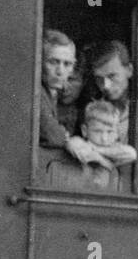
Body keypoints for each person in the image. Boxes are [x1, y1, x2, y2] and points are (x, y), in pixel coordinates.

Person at [39, 30, 109, 170]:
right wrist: (69, 141)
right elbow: (51, 132)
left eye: (67, 64)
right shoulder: (37, 91)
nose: (60, 71)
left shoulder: (54, 92)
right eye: (53, 62)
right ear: (40, 61)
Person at [86, 40, 135, 145]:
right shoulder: (92, 108)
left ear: (129, 70)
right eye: (99, 79)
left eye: (112, 76)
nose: (106, 86)